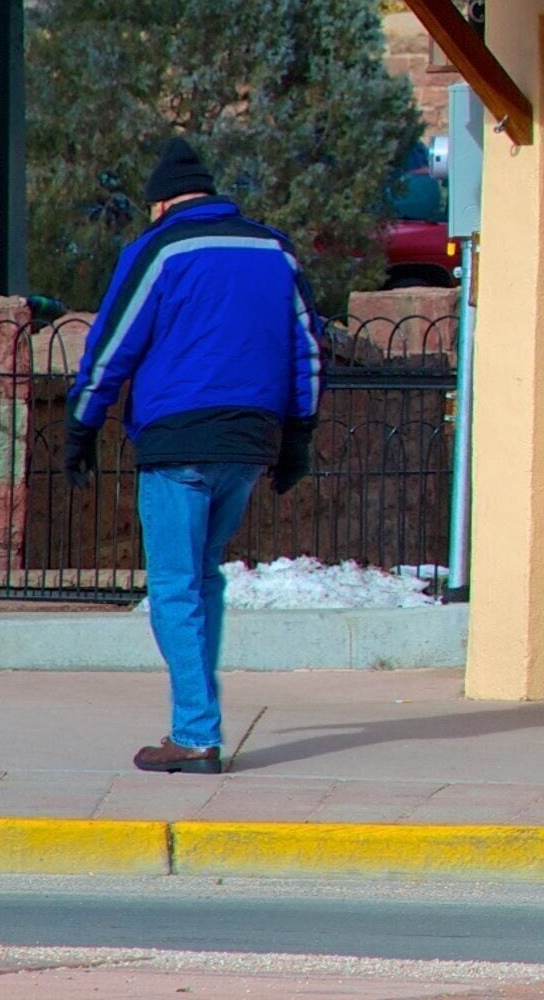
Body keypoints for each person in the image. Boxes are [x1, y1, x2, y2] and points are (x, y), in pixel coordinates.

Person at [61, 138, 320, 775]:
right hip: (250, 442)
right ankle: (197, 720)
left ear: (161, 204)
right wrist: (298, 439)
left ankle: (196, 734)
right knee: (205, 577)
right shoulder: (275, 250)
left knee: (175, 586)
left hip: (177, 439)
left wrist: (80, 428)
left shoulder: (161, 249)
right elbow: (307, 351)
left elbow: (112, 345)